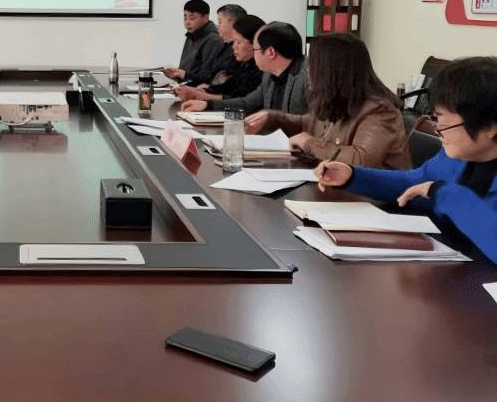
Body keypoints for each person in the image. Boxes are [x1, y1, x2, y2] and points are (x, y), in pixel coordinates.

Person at [316, 57, 497, 263]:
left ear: (491, 126)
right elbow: (412, 184)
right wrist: (353, 176)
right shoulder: (455, 158)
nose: (439, 132)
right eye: (436, 120)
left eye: (446, 125)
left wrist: (442, 192)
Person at [246, 34, 410, 168]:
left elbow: (361, 160)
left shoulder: (380, 111)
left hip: (375, 196)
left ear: (333, 70)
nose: (308, 70)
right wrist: (271, 118)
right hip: (337, 189)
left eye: (314, 64)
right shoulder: (338, 99)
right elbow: (306, 123)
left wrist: (310, 143)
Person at [181, 21, 308, 115]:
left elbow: (312, 123)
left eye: (255, 49)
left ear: (271, 53)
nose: (254, 53)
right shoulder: (269, 75)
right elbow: (247, 103)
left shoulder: (308, 77)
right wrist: (207, 105)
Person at [172, 15, 265, 103]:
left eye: (238, 42)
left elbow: (243, 101)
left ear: (254, 44)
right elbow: (229, 87)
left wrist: (202, 96)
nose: (234, 47)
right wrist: (206, 90)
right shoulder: (242, 64)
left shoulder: (261, 70)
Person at [163, 0, 233, 85]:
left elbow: (208, 77)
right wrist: (176, 73)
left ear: (205, 18)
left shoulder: (213, 40)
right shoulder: (192, 35)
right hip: (184, 85)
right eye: (185, 18)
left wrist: (184, 75)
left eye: (192, 18)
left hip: (197, 88)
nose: (187, 22)